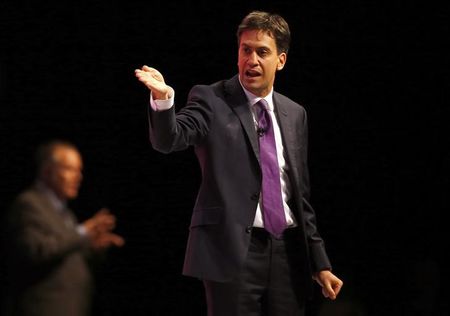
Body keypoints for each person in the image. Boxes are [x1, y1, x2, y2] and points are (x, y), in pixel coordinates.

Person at [135, 10, 343, 316]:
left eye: (262, 52)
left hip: (288, 255)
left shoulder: (295, 113)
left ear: (281, 60)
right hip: (232, 252)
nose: (252, 60)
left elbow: (298, 196)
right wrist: (163, 100)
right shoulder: (212, 99)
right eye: (246, 50)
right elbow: (169, 139)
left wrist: (319, 261)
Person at [2, 140, 125, 316]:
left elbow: (66, 254)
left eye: (79, 170)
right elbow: (36, 252)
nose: (79, 176)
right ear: (47, 171)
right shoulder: (29, 204)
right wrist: (83, 232)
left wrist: (93, 247)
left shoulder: (65, 213)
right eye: (70, 169)